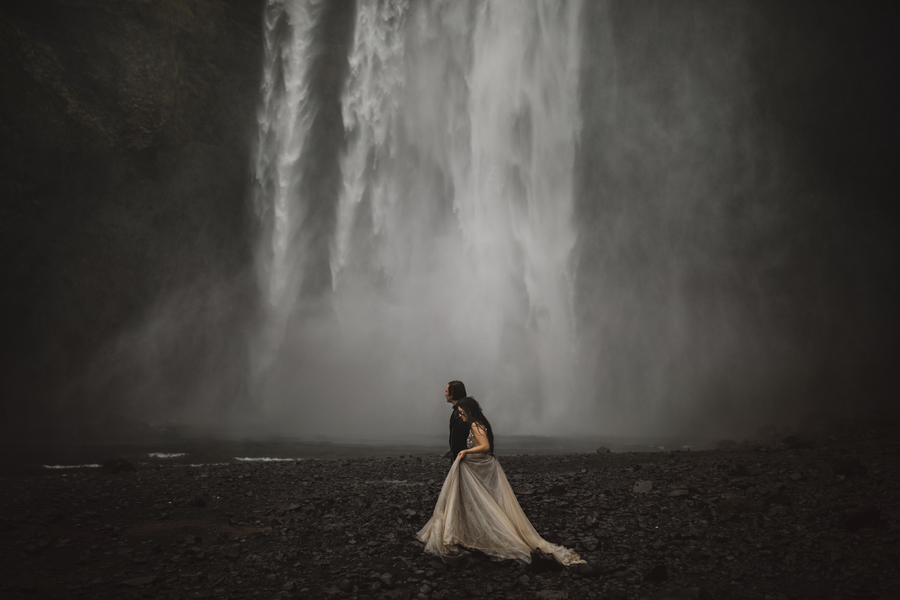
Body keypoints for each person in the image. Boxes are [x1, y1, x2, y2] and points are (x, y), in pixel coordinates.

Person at [418, 396, 584, 566]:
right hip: (483, 466)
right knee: (485, 502)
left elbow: (485, 446)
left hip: (483, 466)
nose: (460, 416)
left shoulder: (475, 424)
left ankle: (483, 537)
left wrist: (466, 452)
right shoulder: (478, 422)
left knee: (485, 502)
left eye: (461, 413)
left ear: (468, 411)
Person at [445, 380, 470, 461]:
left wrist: (456, 457)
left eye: (446, 391)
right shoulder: (464, 408)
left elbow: (459, 438)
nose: (445, 394)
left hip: (462, 457)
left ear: (452, 393)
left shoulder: (461, 412)